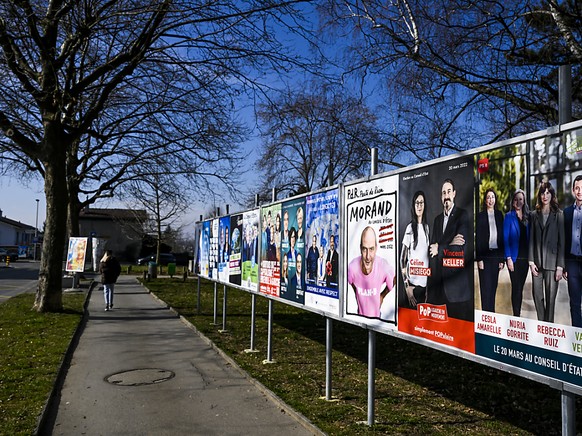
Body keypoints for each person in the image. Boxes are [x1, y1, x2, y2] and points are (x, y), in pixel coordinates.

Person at [429, 178, 472, 320]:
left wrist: (440, 248)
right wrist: (450, 243)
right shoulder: (437, 220)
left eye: (448, 192)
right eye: (443, 193)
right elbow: (431, 250)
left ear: (454, 193)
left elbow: (459, 249)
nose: (446, 195)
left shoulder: (462, 215)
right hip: (439, 288)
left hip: (456, 289)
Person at [528, 181, 564, 323]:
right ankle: (542, 326)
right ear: (540, 195)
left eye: (548, 193)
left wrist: (560, 266)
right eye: (543, 193)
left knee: (550, 299)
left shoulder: (559, 215)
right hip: (537, 262)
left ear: (552, 195)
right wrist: (531, 261)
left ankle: (549, 328)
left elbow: (562, 241)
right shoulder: (534, 214)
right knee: (537, 296)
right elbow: (531, 239)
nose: (545, 195)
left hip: (552, 263)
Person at [348, 226, 395, 318]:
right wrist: (356, 292)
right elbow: (349, 281)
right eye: (364, 249)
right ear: (360, 248)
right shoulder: (352, 267)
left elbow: (395, 278)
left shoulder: (383, 266)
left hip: (377, 320)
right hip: (359, 319)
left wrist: (382, 295)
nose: (368, 256)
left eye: (371, 249)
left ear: (376, 248)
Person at [475, 188, 505, 312]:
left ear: (495, 199)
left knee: (493, 287)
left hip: (496, 256)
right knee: (485, 288)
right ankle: (485, 314)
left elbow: (502, 237)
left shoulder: (499, 215)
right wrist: (479, 259)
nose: (490, 200)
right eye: (488, 197)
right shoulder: (481, 216)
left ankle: (491, 314)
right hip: (485, 257)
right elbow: (479, 239)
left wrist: (502, 259)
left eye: (492, 197)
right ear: (485, 200)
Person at [400, 191, 430, 308]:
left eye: (421, 203)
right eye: (416, 203)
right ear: (413, 205)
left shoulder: (427, 228)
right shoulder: (410, 228)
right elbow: (402, 259)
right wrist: (407, 286)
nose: (419, 206)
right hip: (412, 286)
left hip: (424, 287)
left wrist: (428, 288)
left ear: (424, 205)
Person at [503, 189, 530, 316]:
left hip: (525, 259)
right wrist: (508, 258)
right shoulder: (509, 216)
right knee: (516, 287)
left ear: (524, 201)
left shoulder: (528, 217)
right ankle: (516, 316)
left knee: (521, 288)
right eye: (516, 199)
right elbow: (505, 238)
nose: (518, 202)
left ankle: (517, 314)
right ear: (513, 202)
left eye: (521, 199)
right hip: (513, 259)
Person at [564, 175, 582, 327]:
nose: (580, 191)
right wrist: (564, 265)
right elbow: (563, 240)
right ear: (573, 190)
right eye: (577, 188)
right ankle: (577, 335)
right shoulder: (567, 213)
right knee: (574, 303)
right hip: (572, 264)